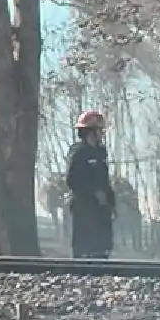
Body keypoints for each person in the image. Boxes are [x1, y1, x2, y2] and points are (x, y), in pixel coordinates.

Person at [65, 110, 116, 259]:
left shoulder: (101, 152)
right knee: (84, 247)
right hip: (84, 206)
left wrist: (110, 200)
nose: (102, 133)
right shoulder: (78, 152)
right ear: (90, 132)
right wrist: (92, 193)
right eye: (100, 130)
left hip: (101, 208)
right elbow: (72, 179)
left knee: (102, 248)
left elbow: (104, 179)